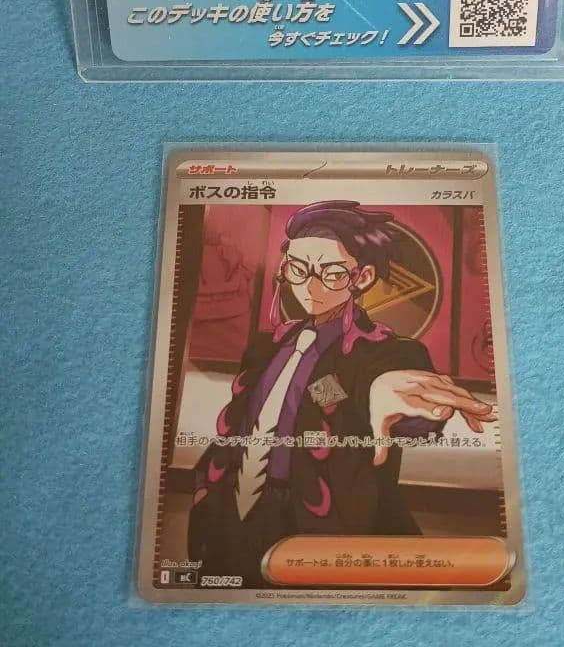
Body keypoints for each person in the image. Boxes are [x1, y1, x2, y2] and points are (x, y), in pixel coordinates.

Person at [188, 200, 494, 585]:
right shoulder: (265, 348)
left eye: (331, 274)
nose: (310, 286)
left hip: (322, 524)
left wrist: (385, 397)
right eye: (298, 269)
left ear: (362, 277)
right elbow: (252, 419)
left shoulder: (381, 352)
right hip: (234, 514)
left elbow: (374, 393)